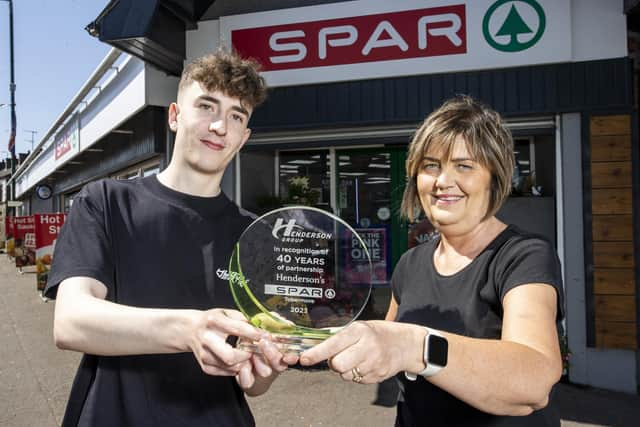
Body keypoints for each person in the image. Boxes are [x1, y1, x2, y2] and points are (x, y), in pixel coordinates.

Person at [45, 50, 297, 427]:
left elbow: (254, 385)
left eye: (235, 116)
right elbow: (71, 322)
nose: (219, 126)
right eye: (207, 107)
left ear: (243, 138)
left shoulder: (255, 235)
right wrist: (190, 329)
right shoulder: (106, 202)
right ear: (175, 116)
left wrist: (270, 362)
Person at [300, 95, 565, 426]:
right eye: (431, 165)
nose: (442, 181)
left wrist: (417, 347)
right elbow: (388, 347)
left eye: (464, 166)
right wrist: (331, 337)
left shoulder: (523, 257)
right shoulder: (410, 264)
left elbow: (535, 379)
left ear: (494, 177)